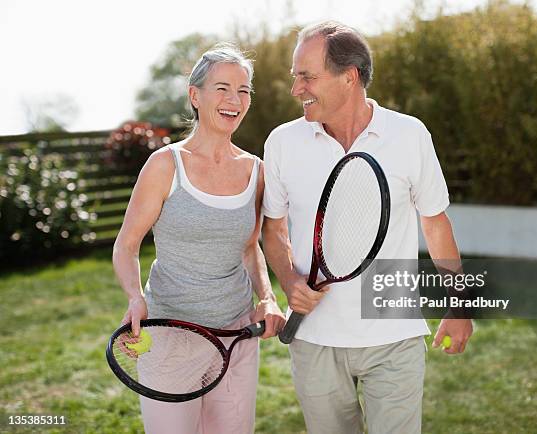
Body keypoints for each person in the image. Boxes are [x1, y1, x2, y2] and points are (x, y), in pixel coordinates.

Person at [261, 21, 473, 434]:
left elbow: (435, 223)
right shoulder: (283, 142)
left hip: (394, 335)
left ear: (349, 76)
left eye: (307, 76)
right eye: (295, 77)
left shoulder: (409, 134)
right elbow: (273, 229)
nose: (296, 89)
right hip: (314, 340)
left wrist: (459, 303)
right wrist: (289, 281)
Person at [112, 44, 285, 434]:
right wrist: (135, 297)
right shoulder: (164, 165)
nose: (234, 100)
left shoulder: (256, 171)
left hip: (236, 334)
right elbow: (127, 244)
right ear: (195, 95)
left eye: (243, 91)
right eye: (222, 88)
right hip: (172, 332)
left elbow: (249, 245)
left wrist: (268, 297)